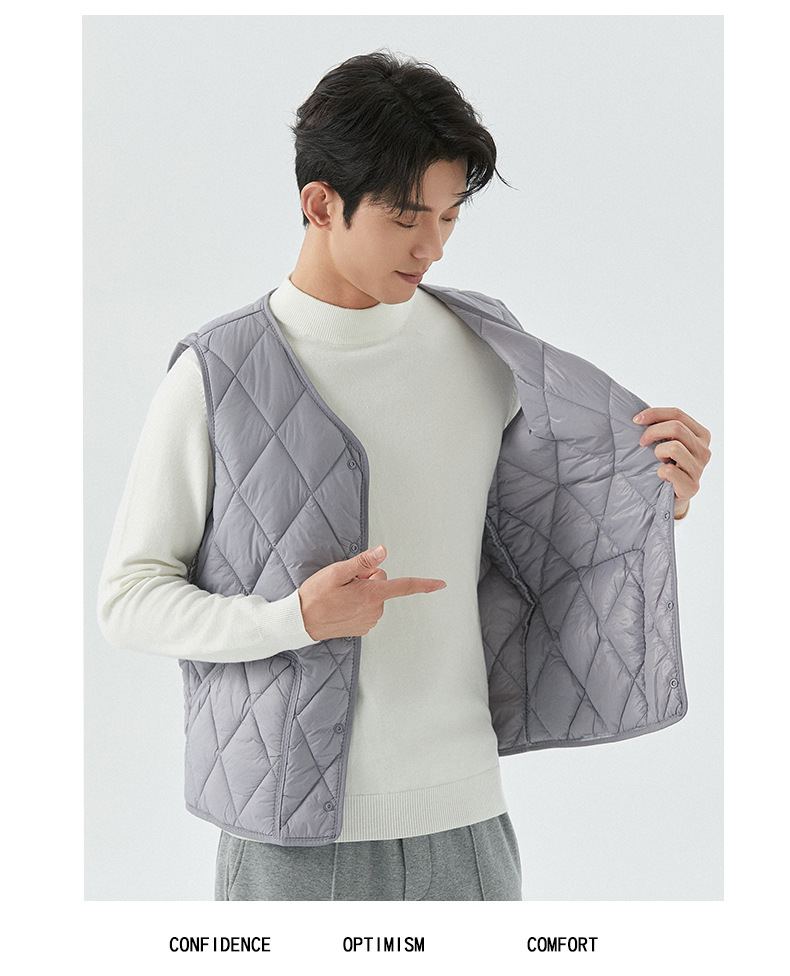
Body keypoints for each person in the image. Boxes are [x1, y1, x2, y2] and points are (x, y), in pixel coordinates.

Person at [97, 51, 712, 902]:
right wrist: (292, 619)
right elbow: (128, 599)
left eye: (451, 216)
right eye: (406, 218)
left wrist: (657, 497)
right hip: (291, 844)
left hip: (469, 824)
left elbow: (542, 541)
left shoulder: (487, 352)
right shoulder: (216, 374)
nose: (433, 246)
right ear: (321, 204)